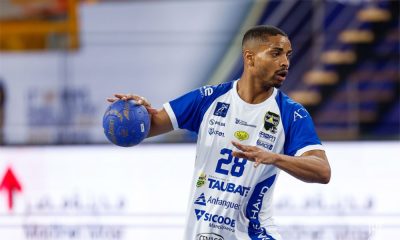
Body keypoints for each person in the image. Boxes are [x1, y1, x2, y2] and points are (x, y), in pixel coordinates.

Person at [108, 25, 331, 240]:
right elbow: (148, 127)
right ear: (249, 57)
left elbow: (322, 171)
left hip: (254, 234)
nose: (285, 62)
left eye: (287, 55)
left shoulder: (291, 113)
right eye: (276, 53)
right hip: (201, 232)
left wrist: (274, 158)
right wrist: (138, 113)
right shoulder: (208, 99)